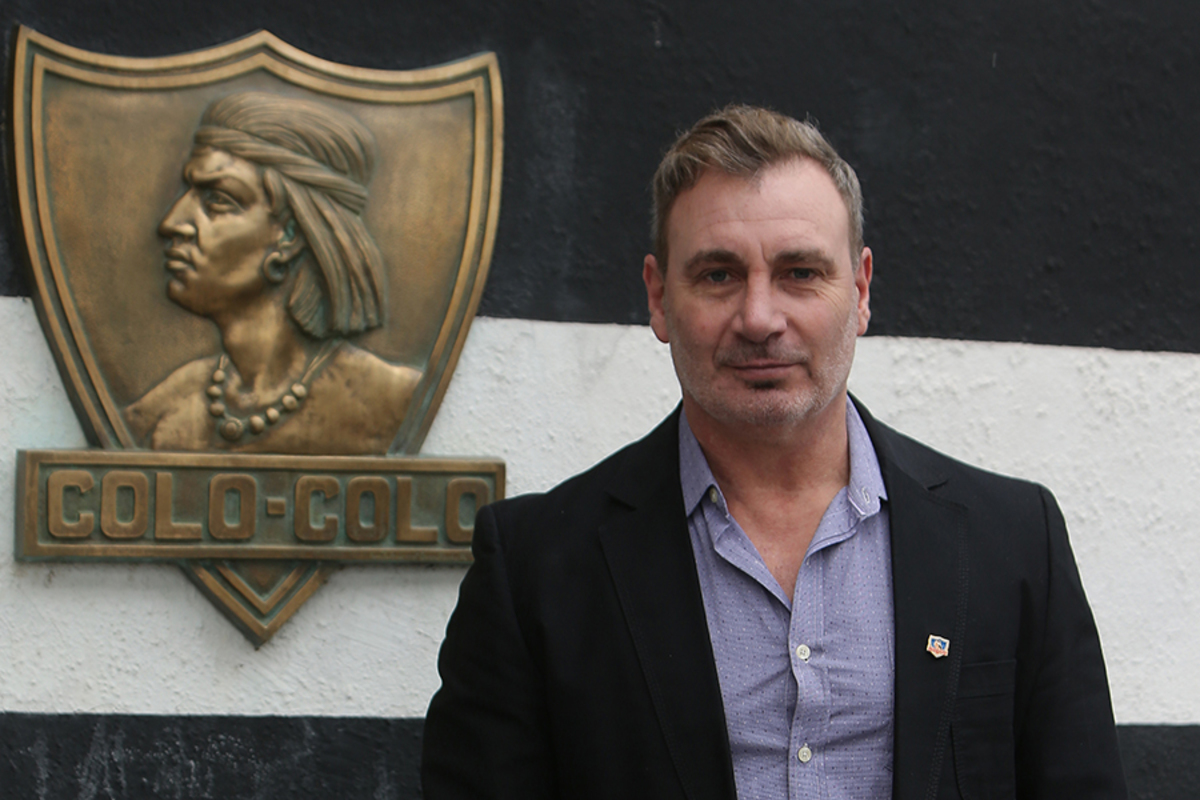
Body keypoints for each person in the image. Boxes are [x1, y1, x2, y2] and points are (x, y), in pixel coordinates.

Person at [421, 106, 1127, 799]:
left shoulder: (1010, 541)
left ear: (860, 289)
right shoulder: (537, 570)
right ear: (659, 298)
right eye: (719, 275)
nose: (760, 318)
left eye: (799, 272)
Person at [125, 92, 421, 454]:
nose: (172, 223)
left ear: (291, 236)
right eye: (187, 193)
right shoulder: (163, 409)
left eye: (217, 200)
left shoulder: (393, 401)